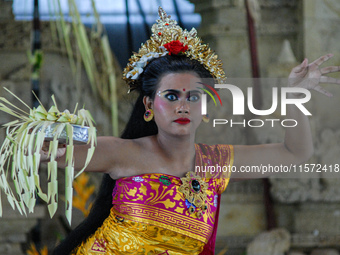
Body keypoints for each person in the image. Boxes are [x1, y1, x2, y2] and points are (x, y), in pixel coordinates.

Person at [49, 7, 340, 255]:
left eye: (194, 97)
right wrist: (41, 135)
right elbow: (51, 153)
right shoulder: (123, 152)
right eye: (171, 96)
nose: (183, 106)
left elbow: (295, 152)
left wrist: (294, 97)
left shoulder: (216, 164)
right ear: (149, 105)